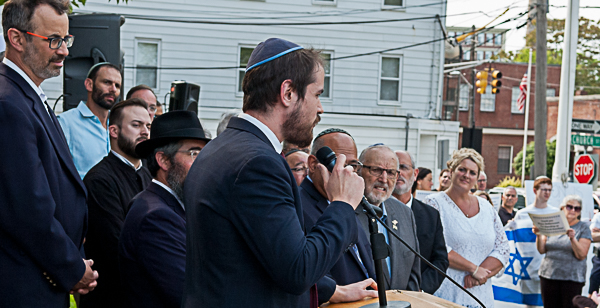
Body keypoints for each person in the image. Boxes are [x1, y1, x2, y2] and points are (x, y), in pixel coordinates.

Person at [182, 38, 367, 307]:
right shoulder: (258, 163)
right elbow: (297, 269)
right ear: (288, 93)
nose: (320, 108)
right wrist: (342, 204)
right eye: (317, 94)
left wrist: (332, 290)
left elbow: (257, 255)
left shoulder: (219, 148)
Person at [0, 0, 98, 305]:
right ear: (16, 39)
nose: (65, 51)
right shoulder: (8, 103)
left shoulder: (26, 95)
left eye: (66, 40)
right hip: (25, 284)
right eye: (54, 40)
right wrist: (71, 267)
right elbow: (28, 208)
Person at [119, 111, 211, 308]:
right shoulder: (156, 216)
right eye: (194, 154)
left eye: (204, 154)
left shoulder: (171, 205)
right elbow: (188, 293)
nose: (203, 164)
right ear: (164, 160)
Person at [81, 98, 153, 308]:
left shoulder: (149, 175)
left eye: (148, 125)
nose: (145, 132)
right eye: (136, 125)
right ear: (113, 131)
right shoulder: (99, 180)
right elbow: (119, 247)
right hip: (111, 299)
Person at [424, 148, 509, 308]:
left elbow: (502, 247)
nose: (466, 175)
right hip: (445, 293)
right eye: (462, 169)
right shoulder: (433, 203)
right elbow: (434, 247)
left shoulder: (486, 207)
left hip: (481, 295)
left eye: (472, 172)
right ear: (451, 171)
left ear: (477, 178)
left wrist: (481, 273)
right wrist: (473, 268)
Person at [301, 128, 377, 303]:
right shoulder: (297, 203)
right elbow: (296, 268)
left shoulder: (348, 199)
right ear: (313, 164)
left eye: (353, 165)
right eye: (338, 164)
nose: (347, 172)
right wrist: (337, 292)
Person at [356, 144, 421, 291]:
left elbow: (413, 274)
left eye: (391, 172)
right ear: (359, 170)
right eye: (376, 170)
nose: (384, 179)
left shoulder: (404, 213)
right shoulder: (346, 209)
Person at [392, 150, 448, 294]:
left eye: (404, 167)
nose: (398, 173)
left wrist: (419, 290)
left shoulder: (431, 215)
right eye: (393, 168)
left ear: (415, 174)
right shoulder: (373, 211)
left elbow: (440, 260)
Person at [57, 62, 121, 178]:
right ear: (89, 84)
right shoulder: (65, 123)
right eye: (107, 82)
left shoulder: (119, 124)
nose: (113, 89)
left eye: (117, 86)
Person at [533, 195, 591, 308]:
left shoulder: (583, 227)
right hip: (549, 275)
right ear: (562, 208)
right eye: (570, 207)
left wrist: (573, 239)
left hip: (572, 279)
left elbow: (581, 255)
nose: (573, 210)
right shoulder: (552, 223)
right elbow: (541, 250)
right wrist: (539, 235)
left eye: (577, 208)